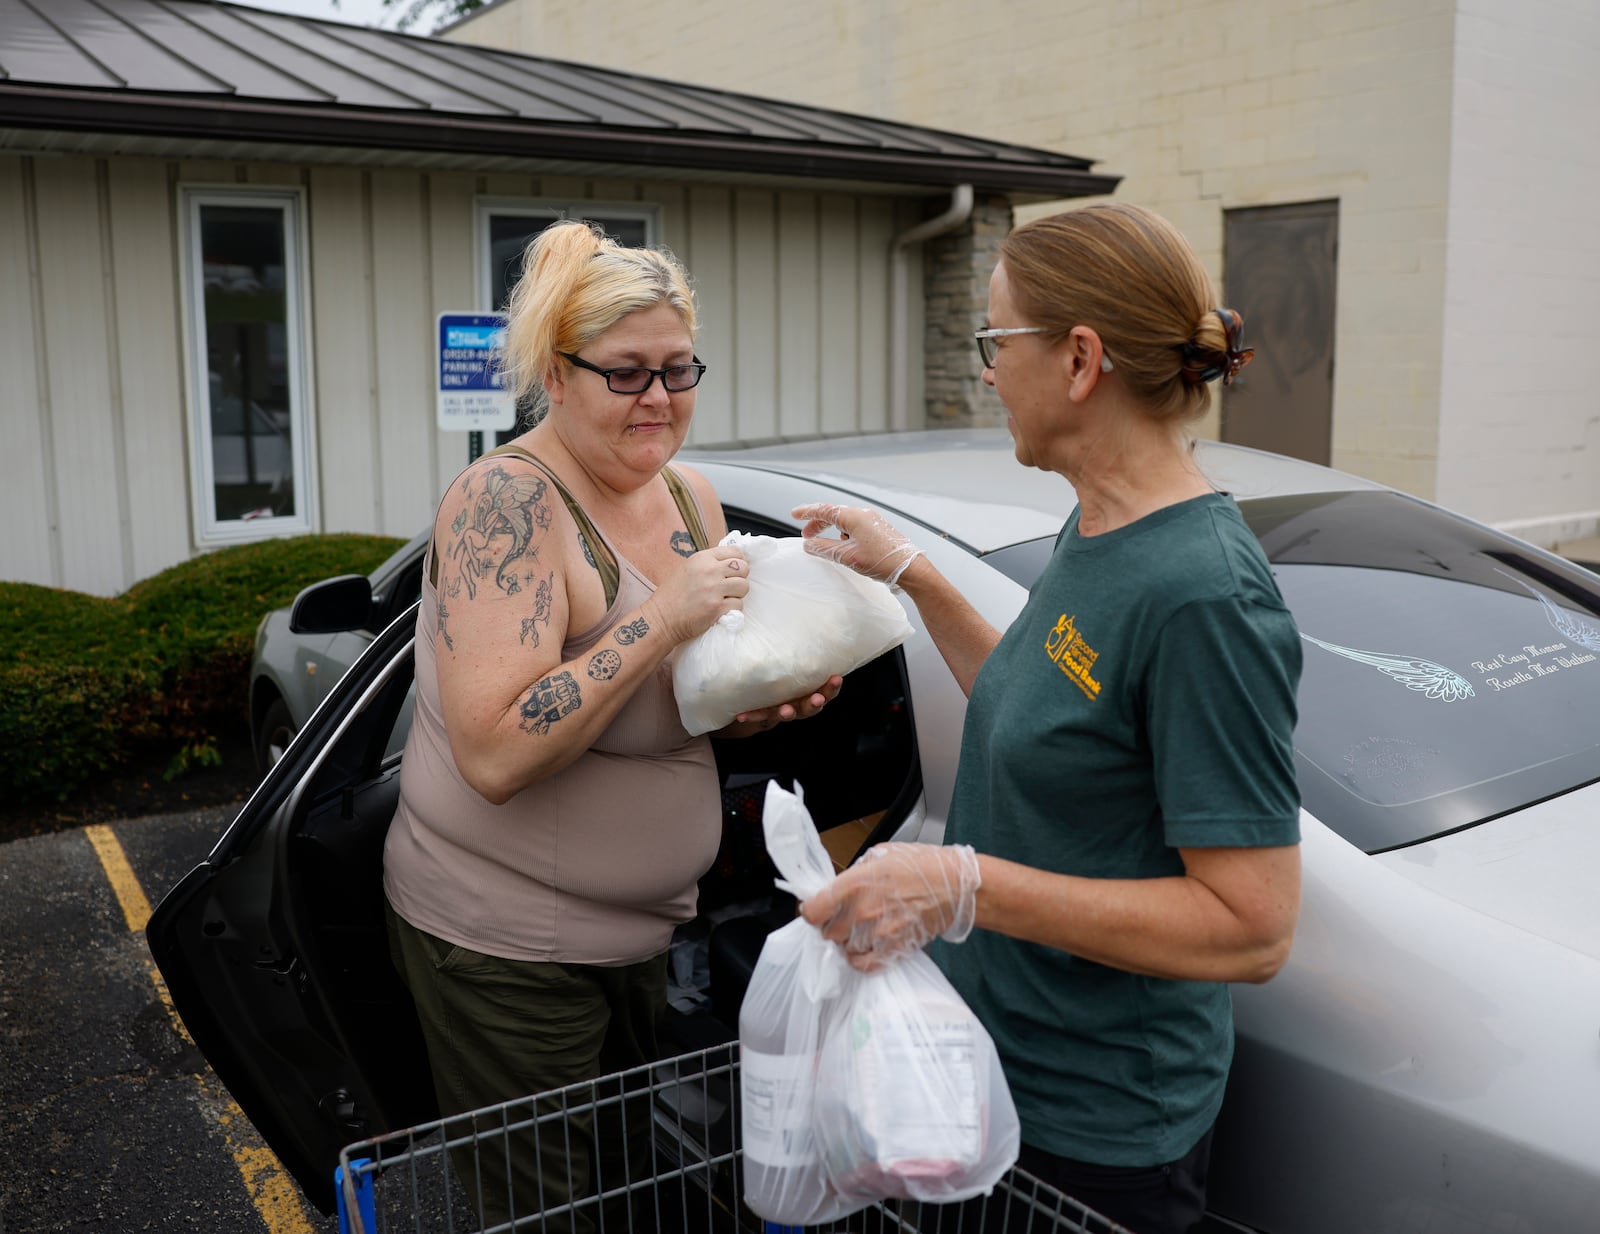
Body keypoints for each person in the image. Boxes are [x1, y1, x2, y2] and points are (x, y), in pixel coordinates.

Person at [793, 202, 1302, 1234]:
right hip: (995, 1068)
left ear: (1078, 360)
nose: (985, 372)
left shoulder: (1203, 595)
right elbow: (1049, 719)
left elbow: (1251, 927)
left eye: (995, 342)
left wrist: (959, 882)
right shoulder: (1098, 522)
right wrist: (913, 573)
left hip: (1098, 1132)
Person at [381, 220, 840, 1230]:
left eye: (679, 370)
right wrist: (663, 614)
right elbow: (497, 751)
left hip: (648, 935)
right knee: (550, 1213)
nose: (660, 400)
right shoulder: (505, 501)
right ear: (557, 369)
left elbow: (681, 699)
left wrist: (761, 707)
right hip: (508, 948)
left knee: (627, 1194)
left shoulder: (690, 492)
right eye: (627, 374)